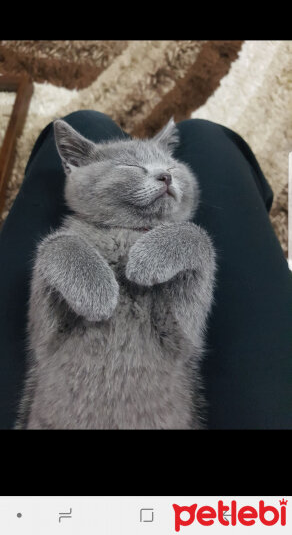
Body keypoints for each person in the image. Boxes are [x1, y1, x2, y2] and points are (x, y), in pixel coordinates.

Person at [0, 110, 291, 430]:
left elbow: (177, 341)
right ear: (75, 167)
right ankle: (257, 200)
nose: (164, 175)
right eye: (131, 167)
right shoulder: (75, 239)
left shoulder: (182, 242)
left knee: (88, 120)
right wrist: (63, 252)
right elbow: (49, 338)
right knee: (208, 137)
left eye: (171, 168)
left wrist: (191, 244)